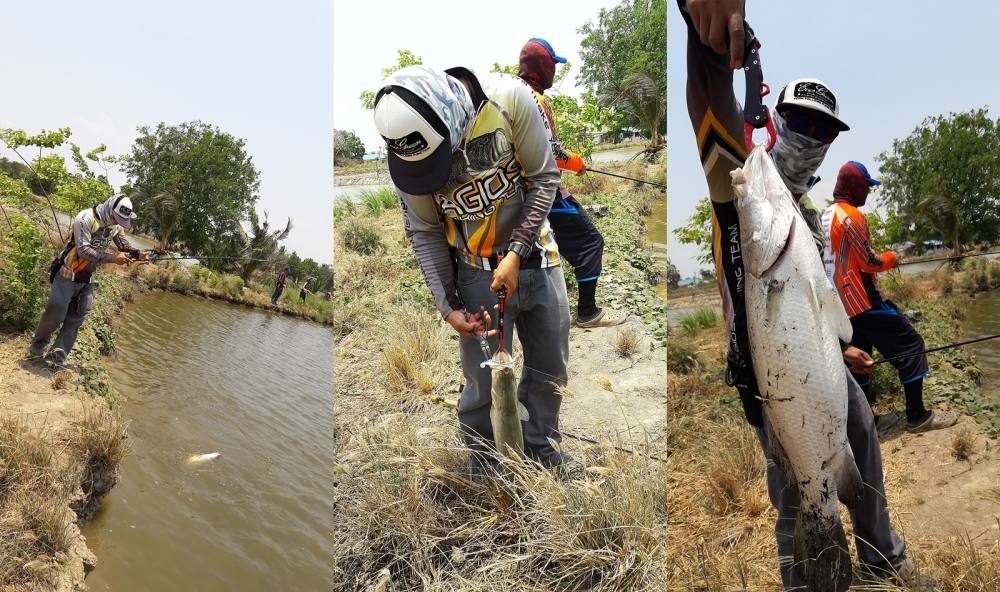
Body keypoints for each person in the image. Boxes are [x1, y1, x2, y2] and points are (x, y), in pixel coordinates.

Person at [680, 1, 932, 588]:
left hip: (820, 359)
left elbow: (818, 300)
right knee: (795, 483)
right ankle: (811, 580)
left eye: (824, 130)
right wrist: (709, 44)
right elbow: (709, 110)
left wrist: (842, 349)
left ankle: (883, 561)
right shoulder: (742, 191)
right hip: (771, 373)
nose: (812, 136)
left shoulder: (812, 213)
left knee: (863, 440)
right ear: (776, 120)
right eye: (801, 122)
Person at [373, 64, 571, 473]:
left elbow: (544, 177)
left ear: (453, 116)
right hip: (476, 274)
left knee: (549, 368)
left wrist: (517, 251)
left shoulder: (511, 100)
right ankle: (485, 463)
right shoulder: (408, 155)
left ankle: (542, 448)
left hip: (539, 258)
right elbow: (426, 232)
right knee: (483, 381)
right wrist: (448, 306)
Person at [822, 161, 958, 433]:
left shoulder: (826, 215)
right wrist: (892, 258)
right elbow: (870, 262)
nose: (869, 193)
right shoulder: (851, 216)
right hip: (862, 299)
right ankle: (918, 417)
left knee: (861, 359)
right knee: (912, 344)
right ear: (854, 186)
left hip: (839, 305)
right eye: (866, 187)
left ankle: (867, 422)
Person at [518, 37, 626, 328]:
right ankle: (588, 312)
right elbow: (552, 153)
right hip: (544, 193)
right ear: (543, 67)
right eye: (552, 64)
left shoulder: (513, 95)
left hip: (518, 194)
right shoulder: (536, 100)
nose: (554, 70)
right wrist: (577, 162)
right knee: (591, 242)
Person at [29, 194, 147, 369]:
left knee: (76, 319)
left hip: (87, 278)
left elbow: (123, 246)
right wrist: (113, 259)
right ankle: (36, 349)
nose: (119, 222)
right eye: (117, 218)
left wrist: (137, 254)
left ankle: (55, 359)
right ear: (110, 209)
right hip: (67, 274)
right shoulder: (86, 218)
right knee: (55, 315)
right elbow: (84, 250)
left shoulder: (115, 226)